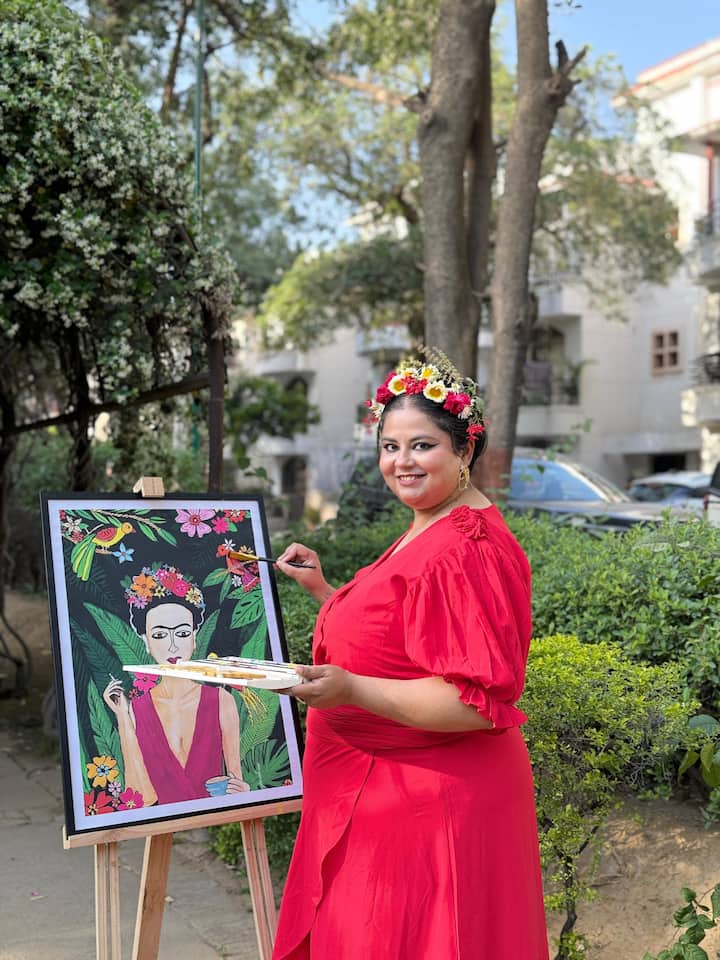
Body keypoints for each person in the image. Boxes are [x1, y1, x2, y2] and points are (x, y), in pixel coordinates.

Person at [272, 353, 549, 959]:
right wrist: (328, 592)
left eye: (422, 445)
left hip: (427, 802)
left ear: (464, 448)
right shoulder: (434, 518)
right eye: (390, 446)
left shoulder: (469, 544)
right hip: (383, 793)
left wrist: (351, 690)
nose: (401, 462)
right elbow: (406, 633)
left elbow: (474, 701)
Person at [103, 564, 250, 805]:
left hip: (214, 809)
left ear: (194, 637)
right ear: (146, 642)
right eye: (160, 635)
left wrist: (243, 791)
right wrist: (122, 716)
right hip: (164, 815)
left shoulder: (221, 700)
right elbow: (141, 795)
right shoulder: (137, 709)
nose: (172, 646)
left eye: (181, 633)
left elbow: (236, 778)